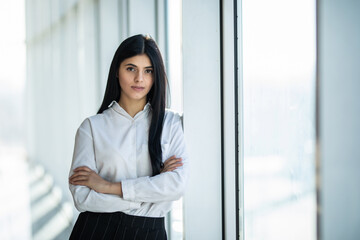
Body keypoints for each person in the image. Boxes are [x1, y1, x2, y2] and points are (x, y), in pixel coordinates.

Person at [68, 34, 189, 240]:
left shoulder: (172, 124)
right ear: (117, 70)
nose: (139, 78)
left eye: (148, 71)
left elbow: (176, 186)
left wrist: (107, 187)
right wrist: (149, 194)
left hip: (151, 233)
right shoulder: (91, 127)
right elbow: (82, 197)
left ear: (156, 75)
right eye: (131, 68)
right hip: (97, 230)